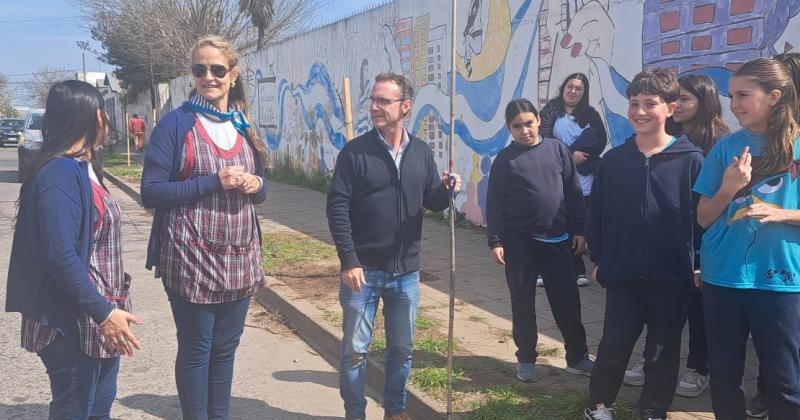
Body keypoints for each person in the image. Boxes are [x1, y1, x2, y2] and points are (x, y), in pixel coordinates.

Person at [140, 35, 268, 420]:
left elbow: (261, 191)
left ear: (233, 74)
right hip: (190, 256)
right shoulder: (176, 125)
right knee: (198, 348)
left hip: (240, 255)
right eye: (199, 70)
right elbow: (151, 192)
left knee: (226, 349)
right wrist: (213, 181)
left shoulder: (244, 125)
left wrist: (256, 184)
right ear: (191, 74)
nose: (208, 77)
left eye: (217, 69)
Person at [326, 72, 461, 420]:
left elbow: (430, 201)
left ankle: (396, 412)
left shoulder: (420, 152)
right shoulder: (355, 153)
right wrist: (349, 259)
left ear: (404, 107)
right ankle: (355, 414)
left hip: (406, 273)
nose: (374, 107)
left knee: (402, 351)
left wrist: (447, 190)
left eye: (383, 101)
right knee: (356, 351)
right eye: (373, 100)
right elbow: (337, 207)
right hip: (364, 271)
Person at [6, 79, 143, 419]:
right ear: (98, 118)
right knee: (74, 408)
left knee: (97, 406)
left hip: (97, 315)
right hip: (76, 320)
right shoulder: (59, 173)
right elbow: (60, 256)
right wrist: (104, 312)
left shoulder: (84, 166)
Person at [584, 68, 704, 420]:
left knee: (662, 351)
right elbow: (597, 215)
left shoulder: (691, 160)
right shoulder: (613, 161)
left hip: (672, 276)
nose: (639, 111)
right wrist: (601, 257)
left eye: (650, 103)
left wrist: (697, 263)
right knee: (614, 345)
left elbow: (703, 219)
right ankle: (599, 404)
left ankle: (653, 410)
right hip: (622, 274)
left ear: (670, 108)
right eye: (634, 103)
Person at [694, 57, 800, 420]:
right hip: (722, 276)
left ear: (774, 96)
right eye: (730, 96)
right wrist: (728, 189)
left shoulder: (797, 147)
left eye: (743, 95)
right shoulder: (726, 148)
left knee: (786, 382)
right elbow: (704, 218)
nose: (734, 104)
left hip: (782, 281)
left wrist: (782, 214)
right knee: (724, 376)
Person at [623, 74, 730, 398]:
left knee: (699, 311)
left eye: (685, 99)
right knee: (661, 311)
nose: (678, 104)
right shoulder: (664, 136)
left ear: (705, 101)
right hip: (666, 241)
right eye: (676, 99)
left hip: (704, 239)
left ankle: (699, 367)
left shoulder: (718, 144)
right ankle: (650, 360)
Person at [486, 98, 594, 384]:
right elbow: (494, 204)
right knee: (522, 303)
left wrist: (580, 231)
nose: (524, 130)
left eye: (528, 123)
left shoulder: (557, 150)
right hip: (519, 245)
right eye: (517, 126)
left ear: (537, 119)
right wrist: (495, 241)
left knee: (568, 302)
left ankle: (577, 357)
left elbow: (572, 193)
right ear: (510, 129)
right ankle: (526, 358)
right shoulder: (505, 161)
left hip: (558, 241)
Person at [744, 50, 800, 420]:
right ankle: (770, 391)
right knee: (781, 347)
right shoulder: (757, 140)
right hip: (778, 262)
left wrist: (784, 214)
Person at [540, 73, 608, 287]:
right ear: (563, 88)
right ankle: (545, 270)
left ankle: (577, 269)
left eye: (579, 88)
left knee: (580, 225)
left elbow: (601, 139)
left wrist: (584, 156)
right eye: (570, 86)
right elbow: (543, 139)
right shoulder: (550, 111)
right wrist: (570, 157)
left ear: (584, 92)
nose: (573, 91)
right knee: (554, 224)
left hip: (584, 179)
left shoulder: (591, 115)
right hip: (556, 177)